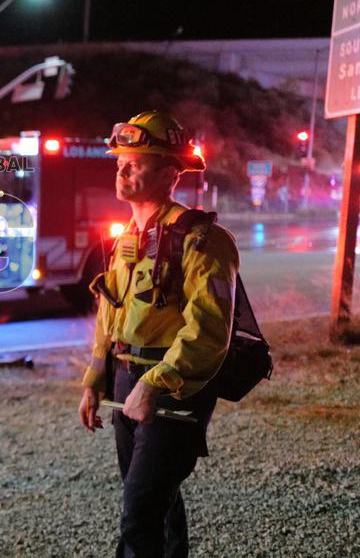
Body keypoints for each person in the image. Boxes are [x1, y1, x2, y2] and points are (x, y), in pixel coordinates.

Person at [77, 111, 239, 557]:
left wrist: (156, 383)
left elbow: (209, 330)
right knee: (156, 503)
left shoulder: (204, 239)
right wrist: (95, 380)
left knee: (138, 513)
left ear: (170, 172)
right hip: (127, 379)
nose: (122, 168)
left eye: (137, 161)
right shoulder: (127, 235)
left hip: (171, 388)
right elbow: (110, 317)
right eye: (120, 160)